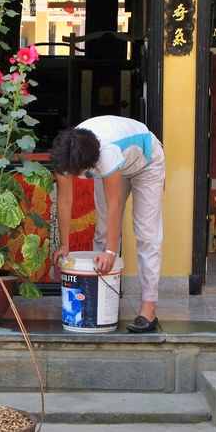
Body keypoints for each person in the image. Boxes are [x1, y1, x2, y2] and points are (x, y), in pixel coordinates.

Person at [50, 116, 166, 333]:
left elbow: (115, 203)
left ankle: (148, 308)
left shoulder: (106, 151)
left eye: (79, 173)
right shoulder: (66, 154)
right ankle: (99, 303)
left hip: (146, 164)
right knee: (103, 233)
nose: (74, 177)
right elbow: (65, 201)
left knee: (146, 233)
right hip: (111, 163)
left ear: (90, 163)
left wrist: (112, 252)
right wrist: (64, 245)